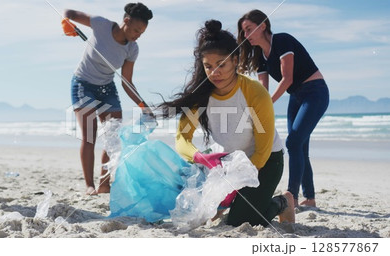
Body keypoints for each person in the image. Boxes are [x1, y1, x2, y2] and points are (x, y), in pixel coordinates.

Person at [159, 20, 295, 227]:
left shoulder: (254, 93)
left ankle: (283, 201)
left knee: (241, 221)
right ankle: (235, 202)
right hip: (226, 163)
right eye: (208, 66)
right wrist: (201, 157)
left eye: (221, 65)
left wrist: (235, 184)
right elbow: (182, 139)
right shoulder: (200, 96)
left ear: (235, 60)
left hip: (265, 162)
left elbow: (263, 148)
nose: (215, 73)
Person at [237, 9, 329, 207]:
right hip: (296, 97)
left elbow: (287, 79)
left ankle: (292, 197)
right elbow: (263, 89)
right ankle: (310, 198)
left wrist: (266, 105)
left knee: (294, 142)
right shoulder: (259, 56)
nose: (246, 36)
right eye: (244, 32)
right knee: (299, 146)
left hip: (315, 92)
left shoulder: (283, 40)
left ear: (263, 26)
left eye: (249, 29)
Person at [62, 2, 153, 195]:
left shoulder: (132, 49)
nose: (138, 35)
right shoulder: (101, 24)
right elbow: (68, 12)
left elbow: (127, 82)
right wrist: (66, 23)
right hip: (82, 84)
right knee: (89, 135)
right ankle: (89, 185)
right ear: (126, 21)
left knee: (113, 138)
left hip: (107, 88)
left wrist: (143, 105)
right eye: (136, 30)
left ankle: (104, 184)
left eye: (142, 33)